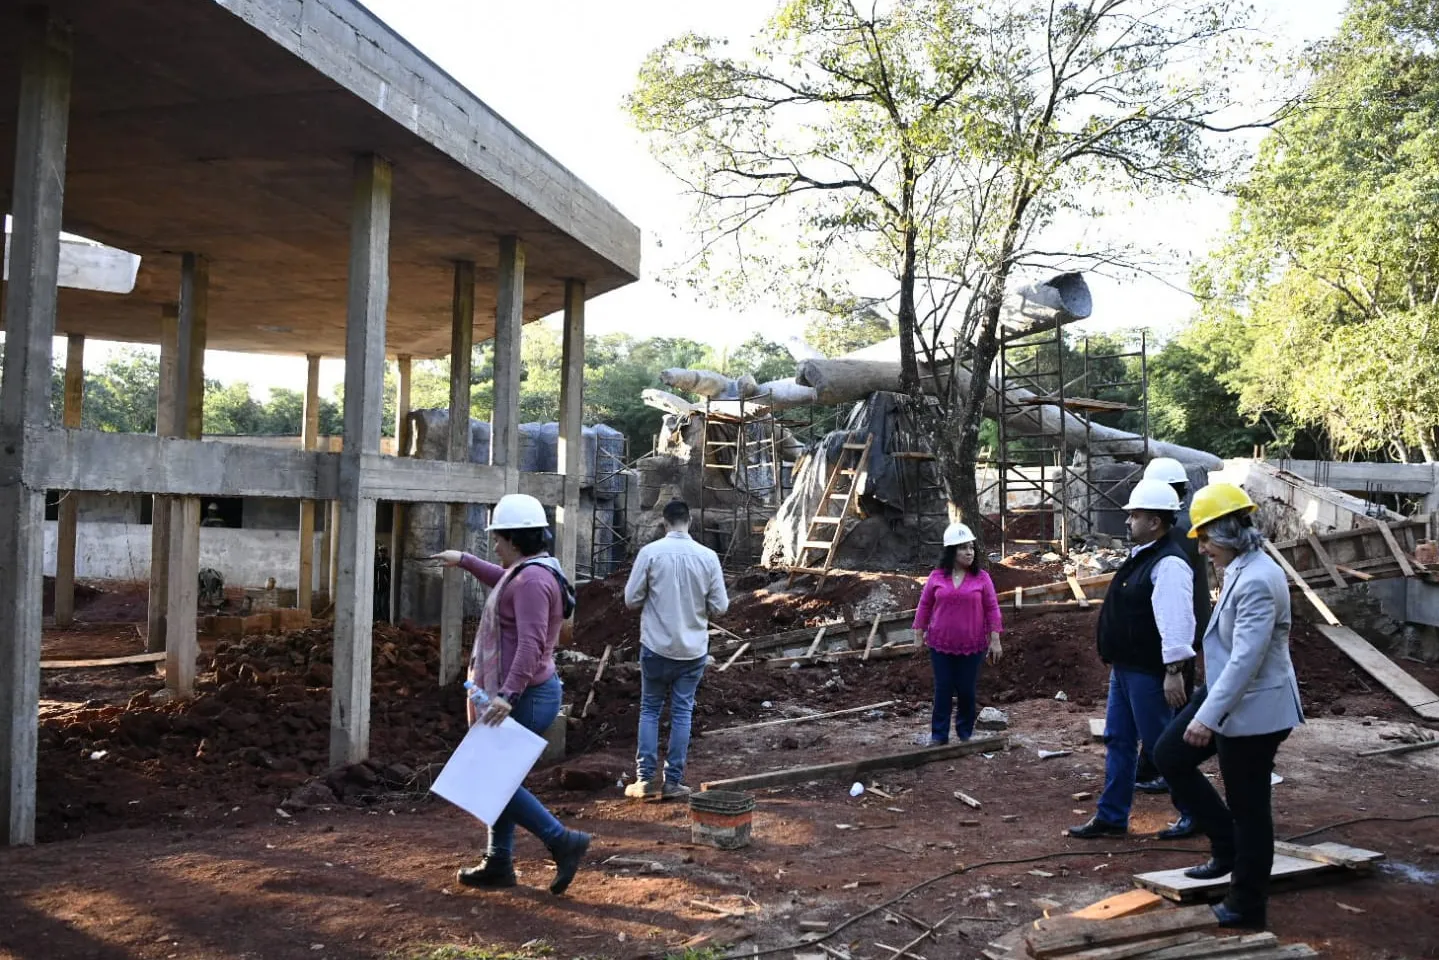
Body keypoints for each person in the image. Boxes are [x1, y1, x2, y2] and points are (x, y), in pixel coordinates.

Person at [1154, 483, 1303, 930]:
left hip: (1254, 712)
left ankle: (1246, 903)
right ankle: (1225, 846)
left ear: (1228, 533)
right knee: (1168, 755)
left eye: (1205, 539)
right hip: (1227, 696)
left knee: (1251, 809)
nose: (1201, 549)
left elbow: (1246, 661)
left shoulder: (1259, 579)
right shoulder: (1242, 567)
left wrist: (1206, 717)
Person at [436, 493, 590, 895]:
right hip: (528, 692)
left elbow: (531, 644)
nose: (497, 547)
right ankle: (499, 861)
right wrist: (465, 560)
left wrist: (506, 694)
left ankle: (561, 840)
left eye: (500, 540)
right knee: (496, 777)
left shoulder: (533, 581)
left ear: (516, 540)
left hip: (527, 695)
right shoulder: (529, 572)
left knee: (492, 777)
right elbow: (504, 583)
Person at [1069, 478, 1197, 841]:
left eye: (1135, 515)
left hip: (1150, 673)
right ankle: (1111, 816)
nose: (1127, 522)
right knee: (1118, 740)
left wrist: (1174, 671)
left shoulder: (1169, 564)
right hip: (1126, 669)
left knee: (1163, 747)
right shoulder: (1143, 555)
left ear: (1155, 521)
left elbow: (1177, 622)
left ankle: (1195, 810)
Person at [622, 499, 729, 800]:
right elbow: (720, 606)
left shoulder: (650, 553)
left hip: (655, 647)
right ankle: (673, 781)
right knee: (682, 712)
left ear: (664, 523)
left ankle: (644, 779)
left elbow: (631, 599)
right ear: (690, 522)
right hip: (692, 650)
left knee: (650, 709)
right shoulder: (708, 557)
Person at [1133, 458, 1211, 816]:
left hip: (1173, 633)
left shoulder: (1172, 537)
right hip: (1188, 627)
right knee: (1170, 704)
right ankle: (1154, 766)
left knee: (1172, 704)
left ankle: (1161, 768)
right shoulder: (1189, 531)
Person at [912, 522, 1002, 746]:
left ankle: (964, 733)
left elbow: (992, 609)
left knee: (966, 690)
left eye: (971, 548)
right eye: (963, 548)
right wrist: (918, 633)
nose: (969, 552)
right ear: (952, 551)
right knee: (943, 689)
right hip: (940, 644)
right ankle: (939, 735)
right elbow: (924, 605)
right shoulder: (936, 577)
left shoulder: (982, 578)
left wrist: (995, 639)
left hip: (972, 646)